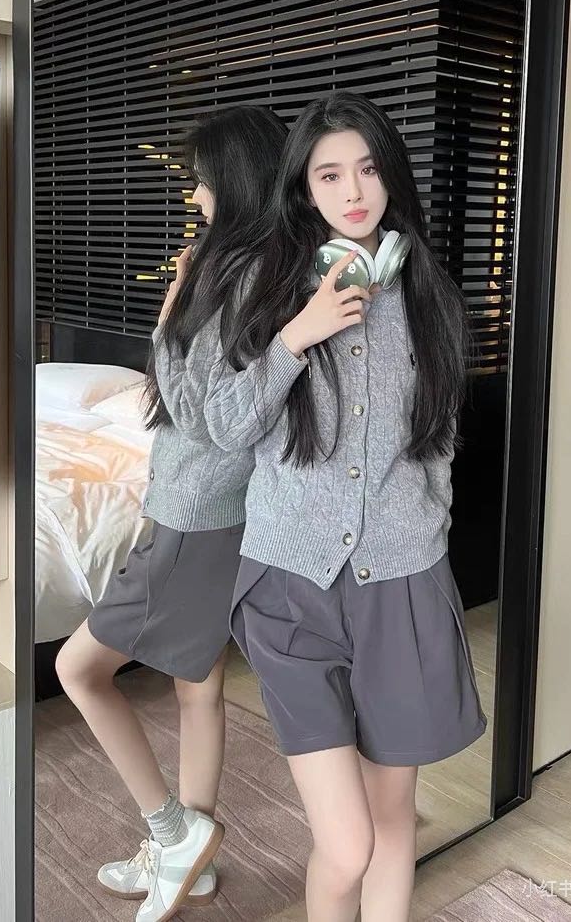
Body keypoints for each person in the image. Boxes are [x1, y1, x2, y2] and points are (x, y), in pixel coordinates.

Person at [166, 90, 487, 921]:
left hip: (403, 582)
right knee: (346, 844)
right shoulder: (266, 284)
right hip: (291, 586)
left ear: (391, 177)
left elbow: (439, 438)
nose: (353, 191)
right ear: (304, 188)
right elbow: (226, 425)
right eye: (330, 174)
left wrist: (429, 526)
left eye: (368, 170)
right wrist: (295, 337)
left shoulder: (429, 294)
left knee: (392, 819)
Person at [54, 104, 288, 922]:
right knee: (198, 686)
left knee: (77, 669)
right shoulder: (263, 271)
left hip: (194, 512)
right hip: (224, 511)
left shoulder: (239, 278)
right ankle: (194, 859)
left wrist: (172, 309)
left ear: (236, 179)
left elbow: (194, 410)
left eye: (200, 179)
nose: (194, 195)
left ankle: (171, 830)